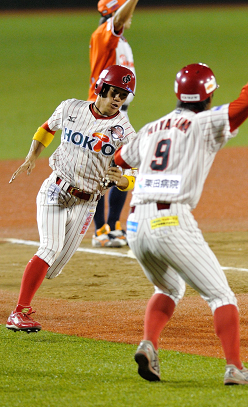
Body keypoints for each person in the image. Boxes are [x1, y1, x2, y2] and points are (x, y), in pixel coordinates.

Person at [114, 35, 248, 385]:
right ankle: (234, 368)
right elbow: (246, 104)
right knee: (220, 295)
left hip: (134, 224)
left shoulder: (151, 128)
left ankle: (149, 344)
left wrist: (137, 176)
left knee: (169, 288)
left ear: (179, 94)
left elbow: (120, 160)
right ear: (208, 94)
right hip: (171, 221)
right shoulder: (206, 122)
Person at [6, 65, 138, 333]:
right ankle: (19, 312)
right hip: (56, 189)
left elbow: (135, 172)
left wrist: (122, 181)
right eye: (114, 92)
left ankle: (27, 298)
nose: (117, 99)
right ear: (101, 87)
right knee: (48, 248)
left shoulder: (125, 131)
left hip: (88, 202)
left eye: (123, 96)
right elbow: (47, 128)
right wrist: (32, 155)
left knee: (52, 268)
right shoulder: (70, 108)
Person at [88, 0, 139, 248]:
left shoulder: (120, 41)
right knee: (99, 170)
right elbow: (117, 21)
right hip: (101, 114)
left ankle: (114, 224)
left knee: (124, 166)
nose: (132, 15)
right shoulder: (103, 35)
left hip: (118, 114)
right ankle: (100, 229)